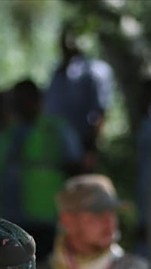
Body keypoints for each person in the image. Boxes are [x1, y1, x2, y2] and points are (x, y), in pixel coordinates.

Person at [0, 78, 82, 258]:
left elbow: (77, 171)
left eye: (23, 100)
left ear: (37, 100)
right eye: (15, 102)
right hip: (13, 220)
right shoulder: (8, 134)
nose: (19, 106)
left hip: (48, 220)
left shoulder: (56, 130)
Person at [44, 24, 115, 169]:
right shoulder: (57, 72)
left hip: (81, 149)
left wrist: (91, 149)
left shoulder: (94, 71)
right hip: (53, 149)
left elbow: (99, 114)